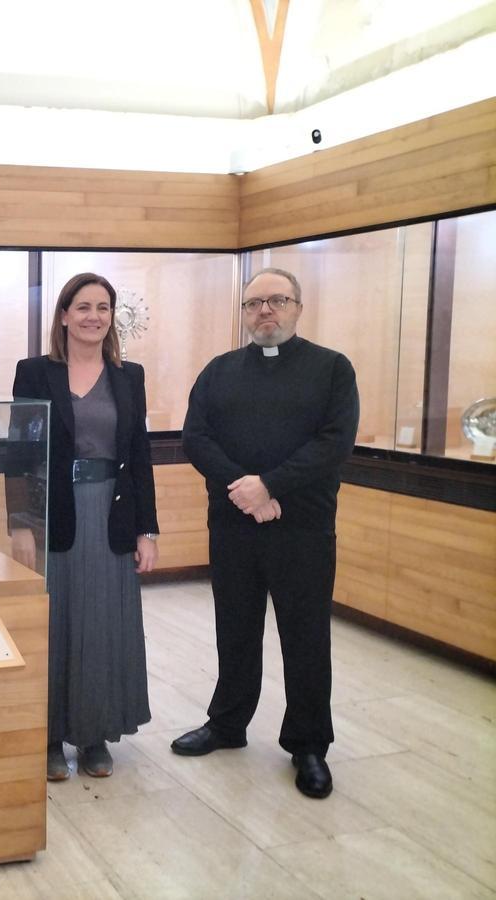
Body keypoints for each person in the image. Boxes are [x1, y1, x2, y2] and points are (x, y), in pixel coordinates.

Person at [173, 267, 359, 800]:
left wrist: (271, 486)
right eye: (253, 304)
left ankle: (308, 745)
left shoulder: (331, 369)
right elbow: (195, 437)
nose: (265, 312)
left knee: (304, 637)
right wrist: (244, 489)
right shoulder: (220, 370)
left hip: (302, 528)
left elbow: (334, 442)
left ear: (298, 308)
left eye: (277, 301)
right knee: (234, 629)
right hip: (233, 527)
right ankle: (227, 724)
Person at [11, 272, 159, 781]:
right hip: (54, 513)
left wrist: (148, 530)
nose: (94, 316)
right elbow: (20, 452)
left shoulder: (129, 376)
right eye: (83, 307)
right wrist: (20, 523)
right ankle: (49, 736)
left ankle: (95, 735)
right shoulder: (34, 373)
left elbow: (140, 457)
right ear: (64, 315)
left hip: (111, 513)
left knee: (102, 624)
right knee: (54, 622)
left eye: (103, 307)